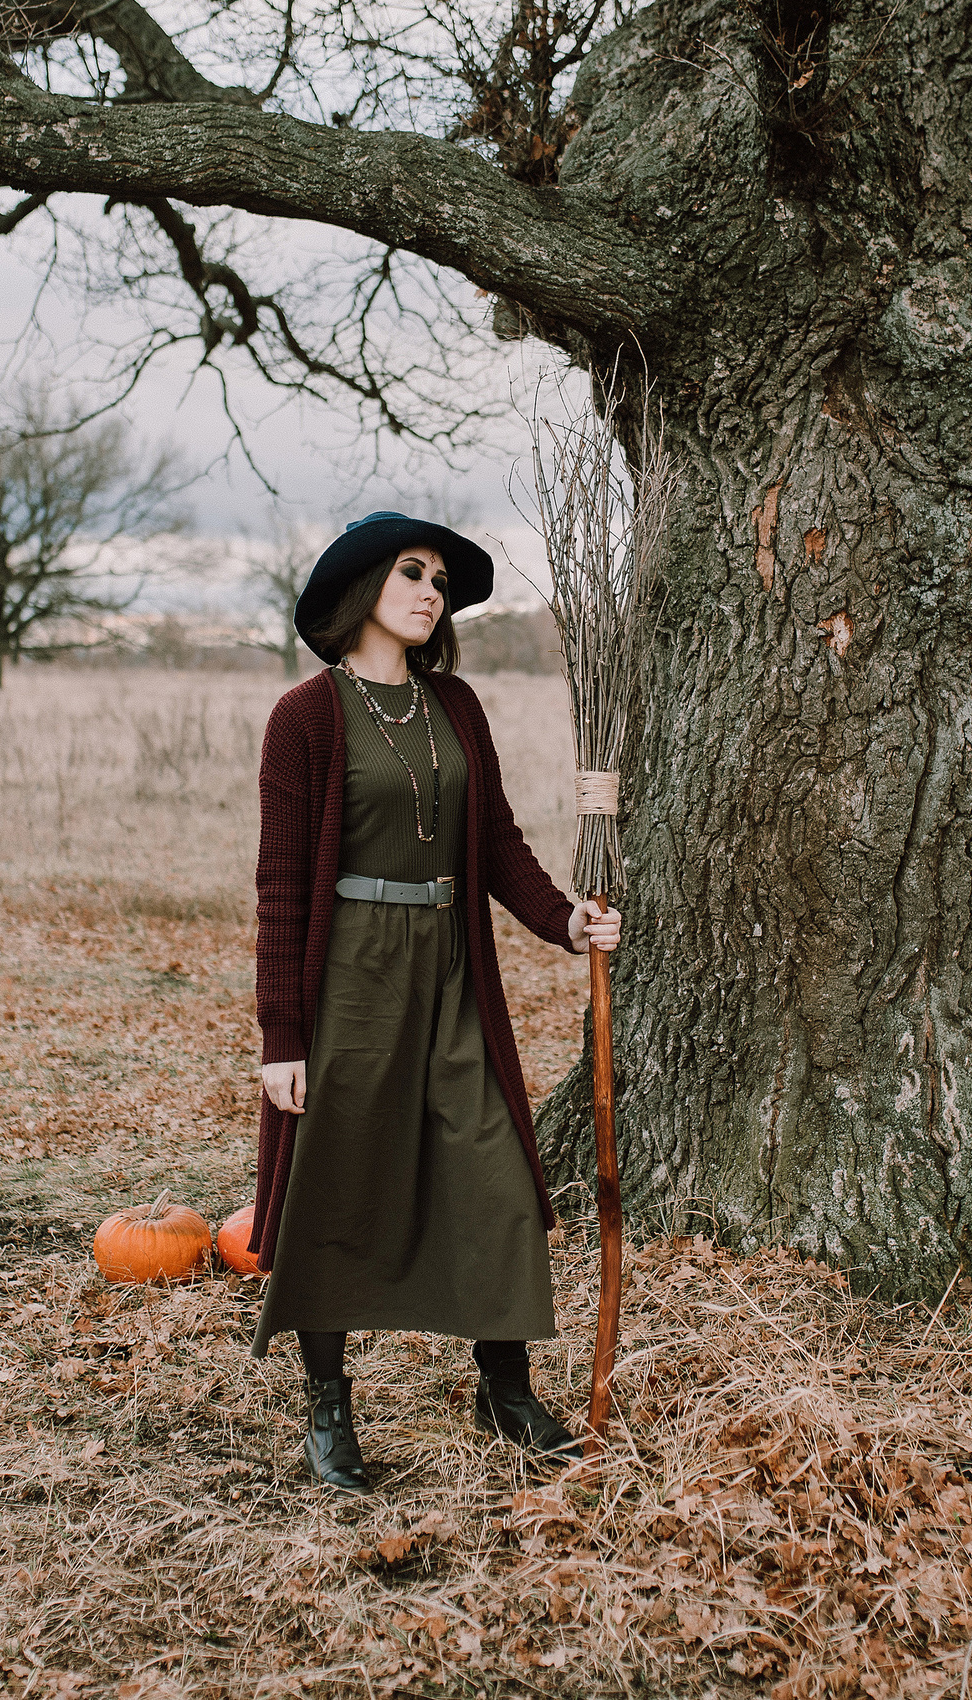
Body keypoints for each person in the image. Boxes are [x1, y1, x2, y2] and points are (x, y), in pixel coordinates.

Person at [246, 511, 623, 1492]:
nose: (430, 592)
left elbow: (493, 840)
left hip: (451, 966)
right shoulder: (306, 716)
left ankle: (505, 1388)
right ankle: (328, 1408)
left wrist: (563, 919)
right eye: (412, 573)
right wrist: (281, 1037)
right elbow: (280, 886)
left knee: (492, 1167)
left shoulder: (454, 705)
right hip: (352, 975)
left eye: (441, 582)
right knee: (335, 1180)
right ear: (363, 584)